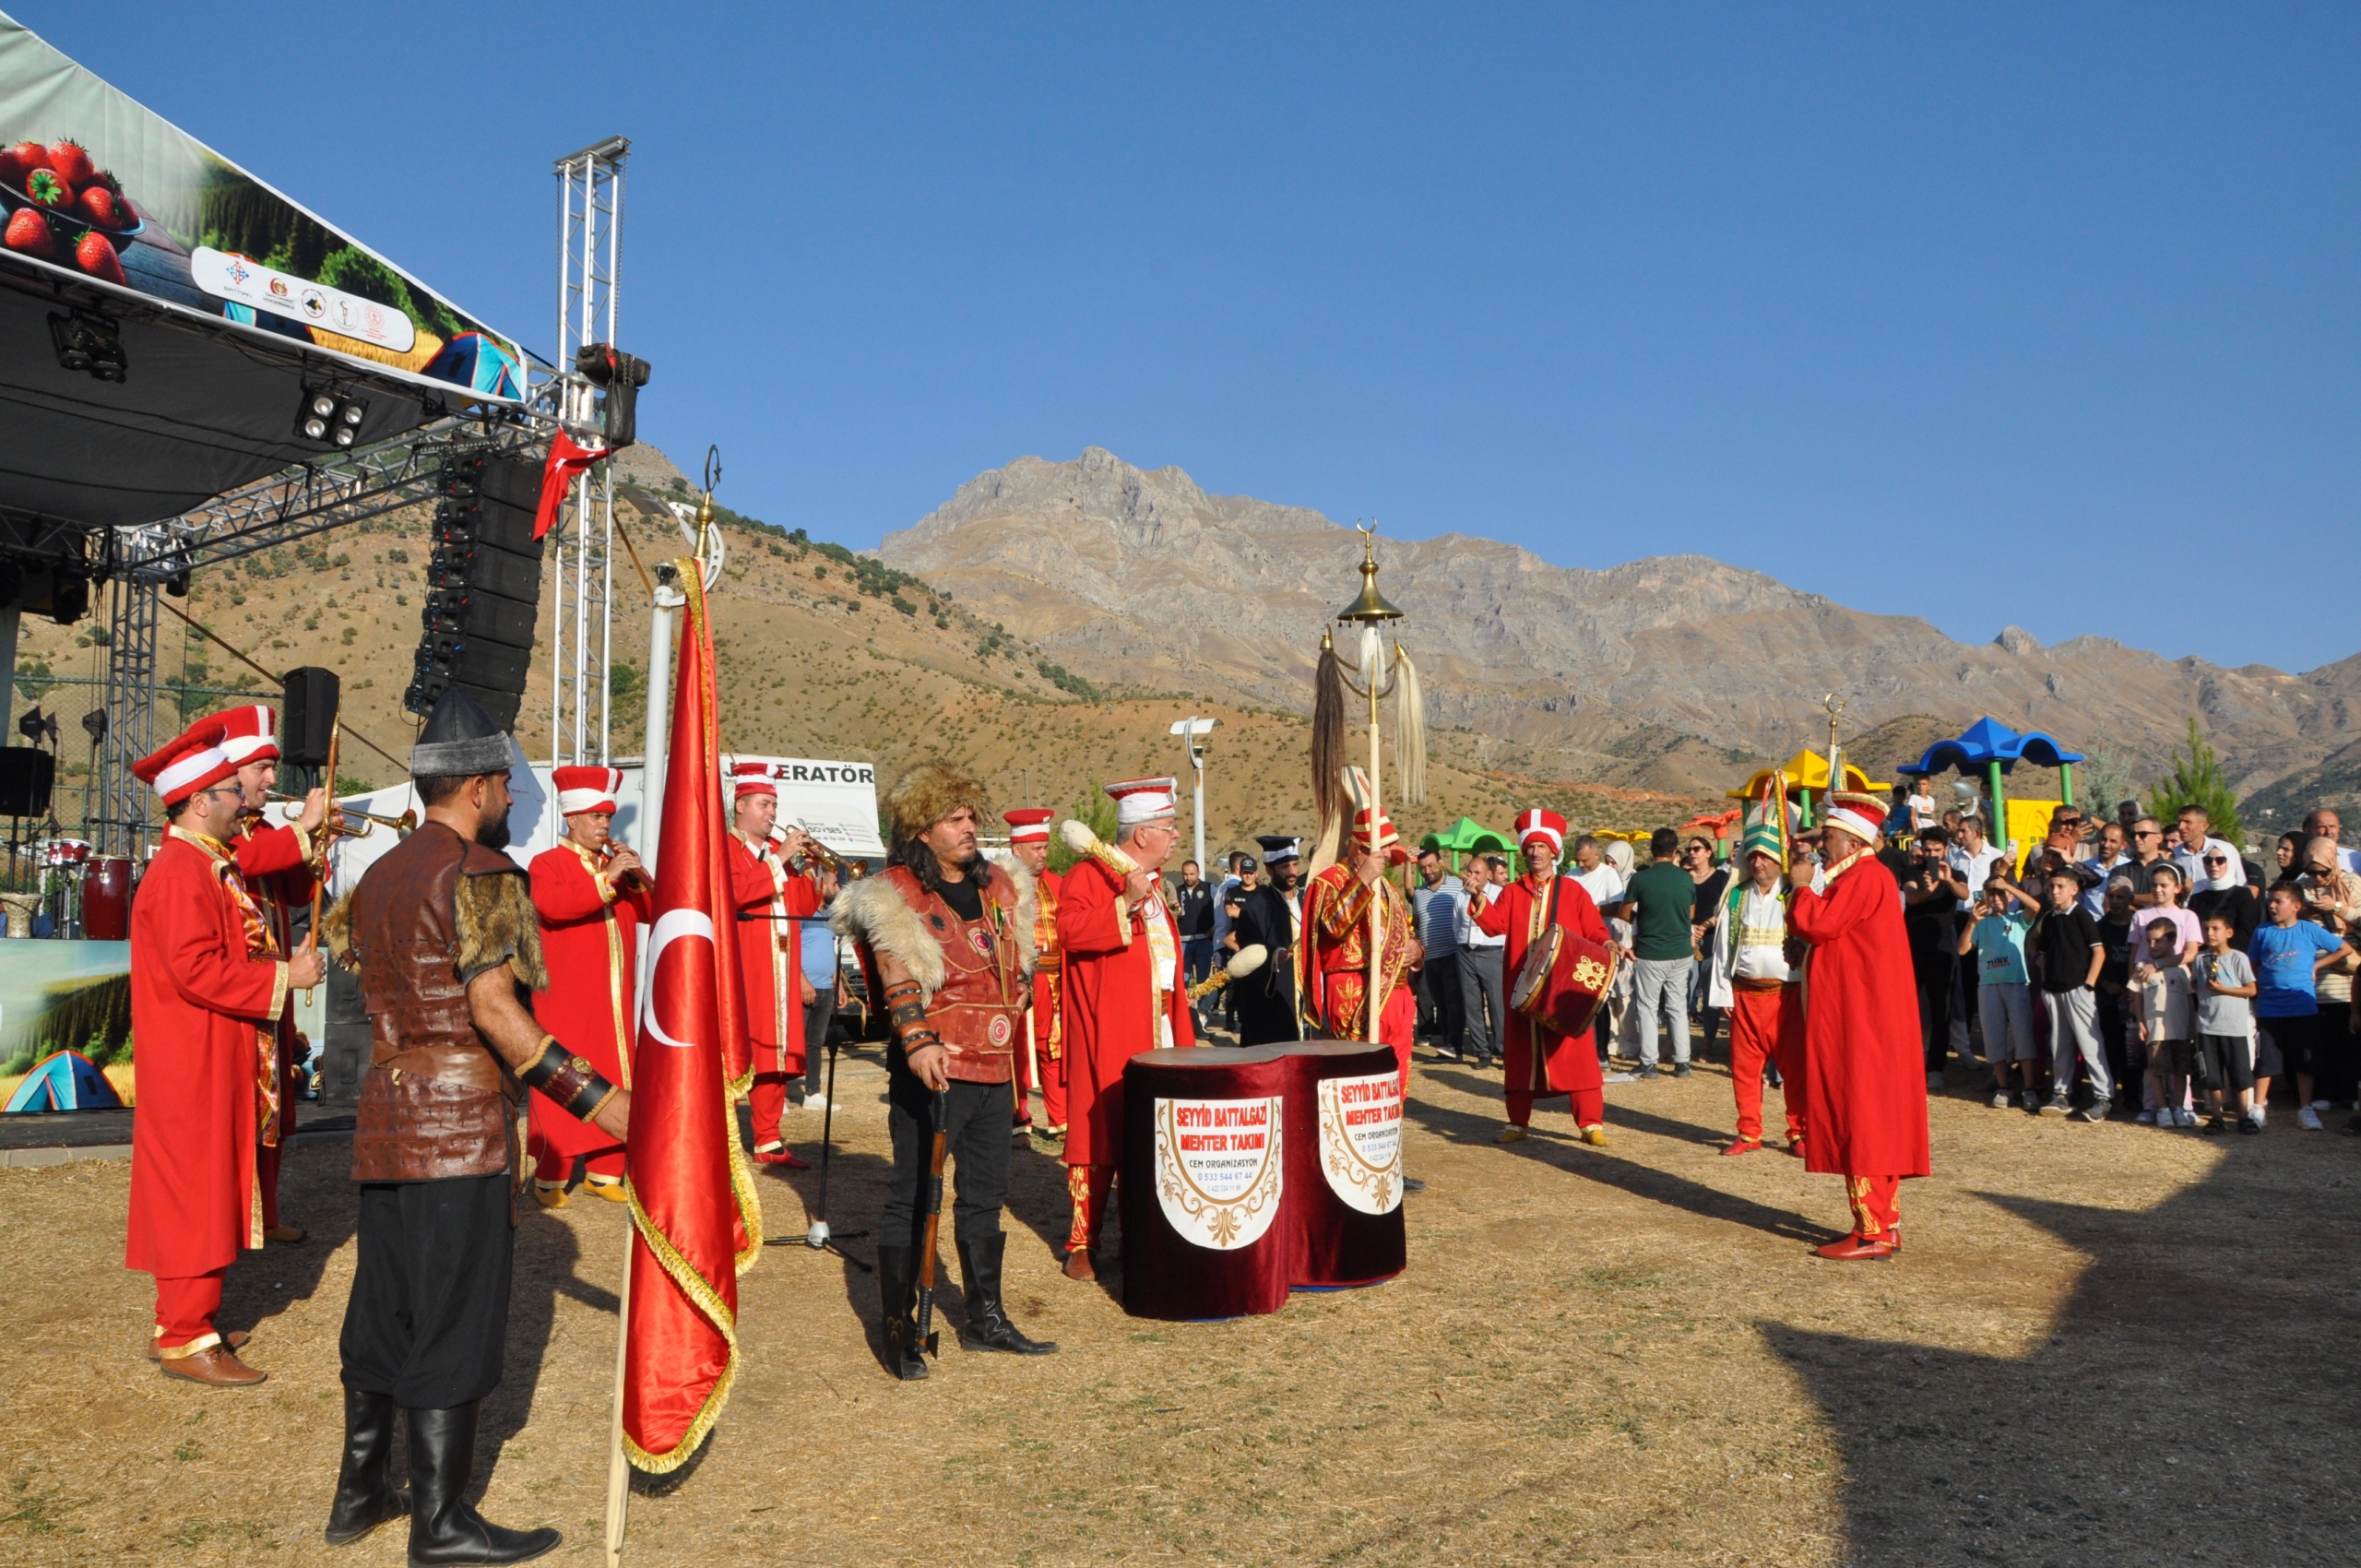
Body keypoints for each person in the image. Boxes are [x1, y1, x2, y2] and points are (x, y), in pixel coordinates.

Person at [321, 689, 624, 1560]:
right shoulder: (483, 875)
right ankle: (441, 1523)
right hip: (460, 1129)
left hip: (384, 1121)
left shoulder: (381, 874)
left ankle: (362, 1492)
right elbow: (494, 1009)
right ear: (482, 786)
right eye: (509, 788)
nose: (516, 802)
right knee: (454, 1315)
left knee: (386, 1307)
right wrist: (605, 1104)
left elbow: (369, 974)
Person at [833, 762, 1052, 1378]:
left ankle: (985, 1320)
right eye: (953, 819)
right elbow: (897, 975)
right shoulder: (894, 894)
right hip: (935, 1068)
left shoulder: (1001, 887)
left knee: (984, 1197)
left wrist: (1023, 985)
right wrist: (919, 1041)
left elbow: (1019, 958)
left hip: (994, 1065)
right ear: (922, 830)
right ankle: (902, 1330)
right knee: (913, 1197)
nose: (968, 827)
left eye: (969, 816)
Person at [125, 719, 327, 1387]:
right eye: (227, 792)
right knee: (195, 1194)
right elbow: (196, 970)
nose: (243, 799)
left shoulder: (202, 863)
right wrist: (284, 979)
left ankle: (182, 1323)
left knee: (204, 1190)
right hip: (193, 1060)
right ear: (196, 800)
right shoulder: (181, 871)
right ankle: (187, 1337)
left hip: (209, 1052)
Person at [1057, 778, 1194, 1281]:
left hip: (1158, 1021)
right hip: (1109, 1023)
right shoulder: (1089, 875)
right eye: (1168, 827)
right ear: (1141, 836)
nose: (1176, 836)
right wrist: (1126, 905)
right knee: (1101, 1129)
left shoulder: (1155, 882)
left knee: (1152, 1134)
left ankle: (1144, 1233)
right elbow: (1070, 932)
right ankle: (1081, 1242)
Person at [1787, 790, 1929, 1259]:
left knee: (1864, 1115)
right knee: (1872, 1115)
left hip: (1861, 1019)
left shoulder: (1865, 877)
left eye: (1828, 836)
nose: (1821, 845)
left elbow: (1819, 926)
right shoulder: (1867, 876)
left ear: (1851, 840)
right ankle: (1882, 1223)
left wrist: (1802, 886)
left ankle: (1872, 1231)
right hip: (1862, 1012)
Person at [209, 703, 326, 1245]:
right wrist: (303, 828)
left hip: (275, 987)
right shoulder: (225, 833)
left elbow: (296, 894)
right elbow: (250, 862)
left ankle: (268, 1212)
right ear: (232, 772)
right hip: (246, 993)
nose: (271, 779)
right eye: (261, 768)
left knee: (279, 1102)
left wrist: (316, 851)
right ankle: (242, 1215)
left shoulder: (263, 831)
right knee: (253, 1105)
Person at [524, 766, 651, 1208]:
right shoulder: (547, 864)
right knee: (563, 1078)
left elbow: (654, 909)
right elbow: (553, 906)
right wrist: (607, 878)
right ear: (571, 819)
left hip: (614, 1000)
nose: (603, 825)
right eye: (595, 816)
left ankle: (605, 1170)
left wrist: (637, 874)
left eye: (607, 818)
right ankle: (550, 1174)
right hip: (568, 999)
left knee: (617, 1078)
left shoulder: (611, 867)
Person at [1471, 808, 1612, 1146]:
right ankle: (1518, 1123)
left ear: (1554, 851)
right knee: (1521, 1054)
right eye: (1530, 847)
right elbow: (1494, 926)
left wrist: (1606, 941)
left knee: (1576, 1052)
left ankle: (1591, 1123)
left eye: (1541, 847)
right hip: (1522, 988)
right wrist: (1477, 895)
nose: (1535, 853)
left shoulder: (1575, 891)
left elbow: (1594, 928)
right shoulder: (1511, 892)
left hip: (1563, 987)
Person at [728, 763, 818, 1168]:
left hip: (779, 967)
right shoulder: (724, 849)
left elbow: (800, 908)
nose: (772, 813)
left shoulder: (771, 855)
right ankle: (721, 1138)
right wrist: (780, 859)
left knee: (775, 1057)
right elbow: (732, 894)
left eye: (774, 805)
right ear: (741, 804)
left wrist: (813, 873)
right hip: (744, 970)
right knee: (737, 1054)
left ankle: (768, 1139)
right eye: (764, 804)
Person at [1704, 814, 1805, 1156]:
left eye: (1765, 856)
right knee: (1745, 1069)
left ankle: (1799, 1131)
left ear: (1780, 858)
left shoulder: (1796, 894)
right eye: (1753, 857)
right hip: (1745, 994)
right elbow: (1722, 950)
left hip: (1787, 996)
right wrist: (1722, 994)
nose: (1758, 863)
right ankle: (1749, 1132)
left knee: (1795, 1068)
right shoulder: (1737, 897)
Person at [1301, 804, 1421, 1086]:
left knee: (1395, 1073)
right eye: (1379, 847)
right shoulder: (1330, 881)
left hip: (1396, 990)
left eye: (1389, 846)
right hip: (1354, 990)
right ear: (1358, 847)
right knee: (1356, 1074)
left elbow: (1404, 930)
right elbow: (1333, 927)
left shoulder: (1388, 888)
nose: (1388, 854)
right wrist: (1363, 880)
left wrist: (1417, 951)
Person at [2248, 880, 2351, 1130]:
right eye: (2270, 901)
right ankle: (2258, 1108)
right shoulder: (2262, 932)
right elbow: (2253, 964)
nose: (2272, 906)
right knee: (2266, 1061)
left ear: (2296, 906)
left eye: (2278, 901)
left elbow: (2344, 948)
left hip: (2302, 1008)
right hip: (2270, 1008)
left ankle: (2305, 1109)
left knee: (2305, 1061)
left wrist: (2316, 966)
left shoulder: (2308, 930)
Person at [2031, 867, 2112, 1121]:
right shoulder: (2051, 918)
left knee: (2090, 1044)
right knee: (2059, 1045)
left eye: (2061, 886)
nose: (2054, 891)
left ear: (2074, 890)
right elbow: (2042, 949)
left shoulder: (2082, 915)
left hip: (2078, 989)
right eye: (2051, 886)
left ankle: (2103, 1096)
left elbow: (2098, 952)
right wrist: (2044, 978)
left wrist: (2088, 984)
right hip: (2053, 991)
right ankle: (2061, 1093)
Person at [1959, 873, 2040, 1111]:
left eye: (2000, 894)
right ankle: (2002, 1086)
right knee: (1993, 1037)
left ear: (2008, 897)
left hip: (2016, 983)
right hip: (1988, 985)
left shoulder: (2017, 919)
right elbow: (1962, 949)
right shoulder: (1980, 923)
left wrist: (2007, 886)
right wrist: (1972, 922)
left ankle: (2028, 1088)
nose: (1995, 899)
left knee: (2023, 1036)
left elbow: (2035, 906)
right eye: (1990, 894)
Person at [1003, 808, 1061, 1136]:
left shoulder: (1059, 884)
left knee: (1055, 1046)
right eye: (1036, 849)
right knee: (1018, 1048)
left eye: (1045, 847)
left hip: (1056, 978)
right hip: (1019, 980)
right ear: (1017, 850)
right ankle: (1019, 1116)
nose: (1043, 855)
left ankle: (1059, 1116)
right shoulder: (1001, 886)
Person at [1623, 826, 1699, 1076]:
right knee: (1677, 1006)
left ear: (1652, 850)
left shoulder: (1641, 879)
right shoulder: (1686, 878)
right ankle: (1682, 1062)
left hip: (1650, 952)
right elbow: (1691, 914)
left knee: (1647, 1007)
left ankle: (1649, 1062)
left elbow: (1625, 913)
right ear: (1676, 851)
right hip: (1680, 951)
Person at [2296, 837, 2361, 1116]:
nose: (2318, 877)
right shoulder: (2301, 886)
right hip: (2315, 974)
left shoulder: (2353, 883)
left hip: (2347, 974)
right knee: (2321, 1039)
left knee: (2348, 1036)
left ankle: (2350, 1092)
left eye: (2323, 871)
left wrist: (2336, 907)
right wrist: (2307, 911)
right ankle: (2327, 1093)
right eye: (2313, 872)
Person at [1901, 828, 1965, 1090]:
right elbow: (1912, 897)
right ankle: (1905, 1061)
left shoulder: (1955, 875)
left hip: (1943, 950)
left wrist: (1947, 882)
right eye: (1927, 850)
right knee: (1906, 1009)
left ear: (1945, 851)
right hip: (1911, 949)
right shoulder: (1911, 872)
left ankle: (1936, 1066)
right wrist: (1928, 888)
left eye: (1936, 851)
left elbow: (1964, 894)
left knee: (1942, 1010)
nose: (1931, 855)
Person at [1228, 835, 1306, 1046]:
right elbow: (1247, 946)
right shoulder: (1257, 905)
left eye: (1295, 865)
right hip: (1274, 994)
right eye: (1284, 867)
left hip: (1307, 990)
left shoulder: (1306, 899)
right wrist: (1274, 955)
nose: (1292, 871)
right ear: (1270, 871)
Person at [2192, 912, 2260, 1134]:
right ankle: (2216, 1116)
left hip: (2234, 1025)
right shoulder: (2200, 959)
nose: (2209, 933)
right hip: (2207, 1025)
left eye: (2215, 928)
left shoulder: (2238, 958)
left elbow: (2251, 989)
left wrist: (2224, 990)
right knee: (2211, 1075)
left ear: (2229, 932)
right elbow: (2195, 984)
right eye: (2206, 929)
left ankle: (2243, 1116)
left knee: (2240, 1074)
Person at [2134, 918, 2197, 1131]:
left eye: (2159, 941)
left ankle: (2178, 1107)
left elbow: (2189, 997)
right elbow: (2137, 997)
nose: (2153, 946)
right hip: (2155, 1029)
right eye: (2150, 941)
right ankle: (2161, 1109)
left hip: (2179, 1029)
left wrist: (2191, 1024)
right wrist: (2140, 1021)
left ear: (2172, 942)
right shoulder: (2142, 968)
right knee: (2157, 1070)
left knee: (2180, 1070)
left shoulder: (2180, 970)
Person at [1411, 847, 1465, 1059]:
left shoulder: (1458, 886)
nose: (1427, 871)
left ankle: (1456, 1045)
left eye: (1431, 865)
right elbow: (1417, 921)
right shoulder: (1419, 894)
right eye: (1423, 867)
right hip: (1430, 957)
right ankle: (1447, 1044)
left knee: (1453, 1001)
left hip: (1452, 953)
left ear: (1441, 863)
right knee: (1440, 1003)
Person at [1683, 837, 1731, 1063]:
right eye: (1689, 849)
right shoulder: (1683, 879)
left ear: (1709, 852)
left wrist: (1704, 926)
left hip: (1712, 941)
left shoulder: (1722, 878)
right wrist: (1690, 927)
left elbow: (1726, 907)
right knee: (1682, 992)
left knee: (1711, 994)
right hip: (1686, 942)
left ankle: (1708, 1044)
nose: (1692, 853)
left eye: (1697, 848)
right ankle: (1678, 1043)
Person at [1455, 853, 1506, 1071]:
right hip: (1466, 951)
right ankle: (1482, 1053)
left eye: (1477, 872)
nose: (1472, 876)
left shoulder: (1500, 894)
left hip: (1492, 952)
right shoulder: (1460, 895)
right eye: (1470, 871)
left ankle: (1503, 1049)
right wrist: (1462, 945)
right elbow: (1456, 924)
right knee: (1472, 1004)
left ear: (1488, 875)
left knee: (1497, 1003)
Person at [1171, 858, 1215, 1005]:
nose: (1188, 877)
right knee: (1182, 979)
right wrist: (1174, 910)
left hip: (1204, 941)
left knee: (1203, 981)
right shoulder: (1177, 891)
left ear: (1199, 873)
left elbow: (1221, 910)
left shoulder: (1209, 888)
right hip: (1183, 942)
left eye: (1192, 874)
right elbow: (1172, 916)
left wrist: (1215, 927)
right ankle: (1185, 1011)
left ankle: (1202, 1014)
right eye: (1185, 874)